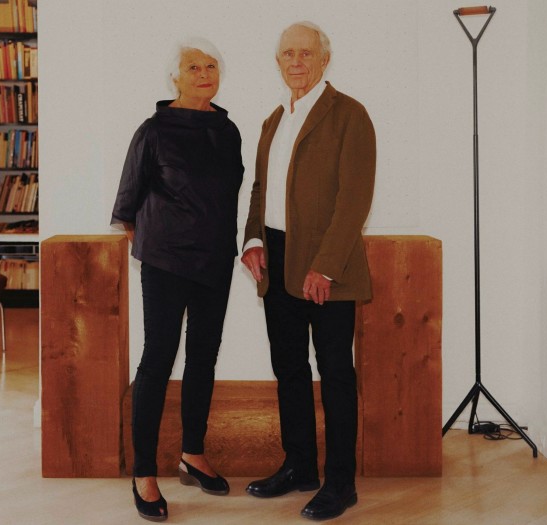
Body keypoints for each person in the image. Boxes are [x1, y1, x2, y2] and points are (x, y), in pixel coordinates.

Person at [241, 21, 376, 521]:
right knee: (289, 369)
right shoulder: (275, 120)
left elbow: (353, 200)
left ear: (324, 60)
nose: (296, 61)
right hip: (276, 259)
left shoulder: (349, 115)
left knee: (336, 374)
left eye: (306, 53)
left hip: (328, 265)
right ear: (278, 62)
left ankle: (342, 483)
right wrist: (253, 239)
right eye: (287, 54)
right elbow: (260, 189)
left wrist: (325, 266)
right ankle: (300, 467)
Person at [111, 38, 243, 522]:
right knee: (157, 360)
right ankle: (144, 471)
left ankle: (193, 453)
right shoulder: (153, 130)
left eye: (211, 66)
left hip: (216, 263)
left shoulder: (228, 130)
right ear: (176, 77)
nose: (204, 73)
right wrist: (157, 246)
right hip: (166, 264)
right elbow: (128, 205)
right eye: (194, 66)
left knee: (204, 357)